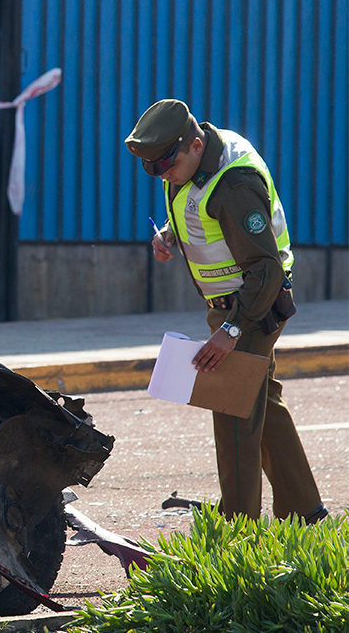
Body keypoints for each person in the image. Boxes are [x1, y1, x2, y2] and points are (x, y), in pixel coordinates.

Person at [125, 99, 327, 524]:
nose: (161, 174)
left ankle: (238, 531)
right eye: (152, 168)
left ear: (195, 145)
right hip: (232, 303)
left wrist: (231, 330)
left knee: (233, 412)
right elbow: (196, 207)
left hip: (255, 304)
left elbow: (266, 268)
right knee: (262, 404)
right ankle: (305, 514)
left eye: (166, 164)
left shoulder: (233, 183)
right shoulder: (190, 162)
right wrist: (170, 236)